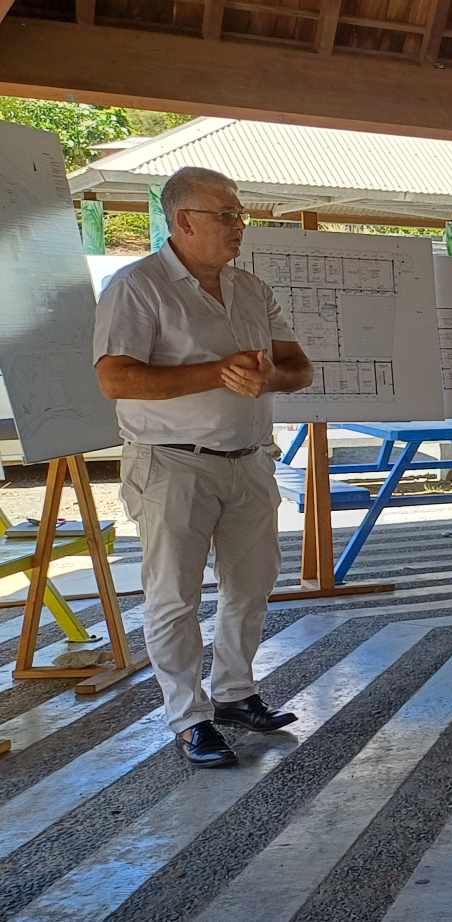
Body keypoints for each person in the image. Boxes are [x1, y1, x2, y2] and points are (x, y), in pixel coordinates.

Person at [91, 166, 314, 769]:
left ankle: (236, 694)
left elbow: (299, 367)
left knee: (251, 585)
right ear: (183, 220)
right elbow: (116, 378)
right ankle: (189, 717)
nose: (239, 226)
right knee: (174, 596)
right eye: (226, 215)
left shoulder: (250, 289)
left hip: (248, 459)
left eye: (240, 215)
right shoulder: (137, 287)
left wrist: (271, 375)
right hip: (172, 464)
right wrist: (216, 372)